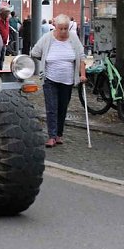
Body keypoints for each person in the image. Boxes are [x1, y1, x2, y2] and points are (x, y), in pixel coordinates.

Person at [31, 14, 87, 148]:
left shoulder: (73, 39)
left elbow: (81, 58)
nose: (63, 31)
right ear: (55, 27)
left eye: (65, 29)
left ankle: (59, 135)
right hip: (50, 79)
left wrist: (82, 75)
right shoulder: (47, 38)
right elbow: (35, 52)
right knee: (51, 108)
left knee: (62, 108)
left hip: (67, 80)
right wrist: (45, 60)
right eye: (60, 28)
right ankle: (51, 136)